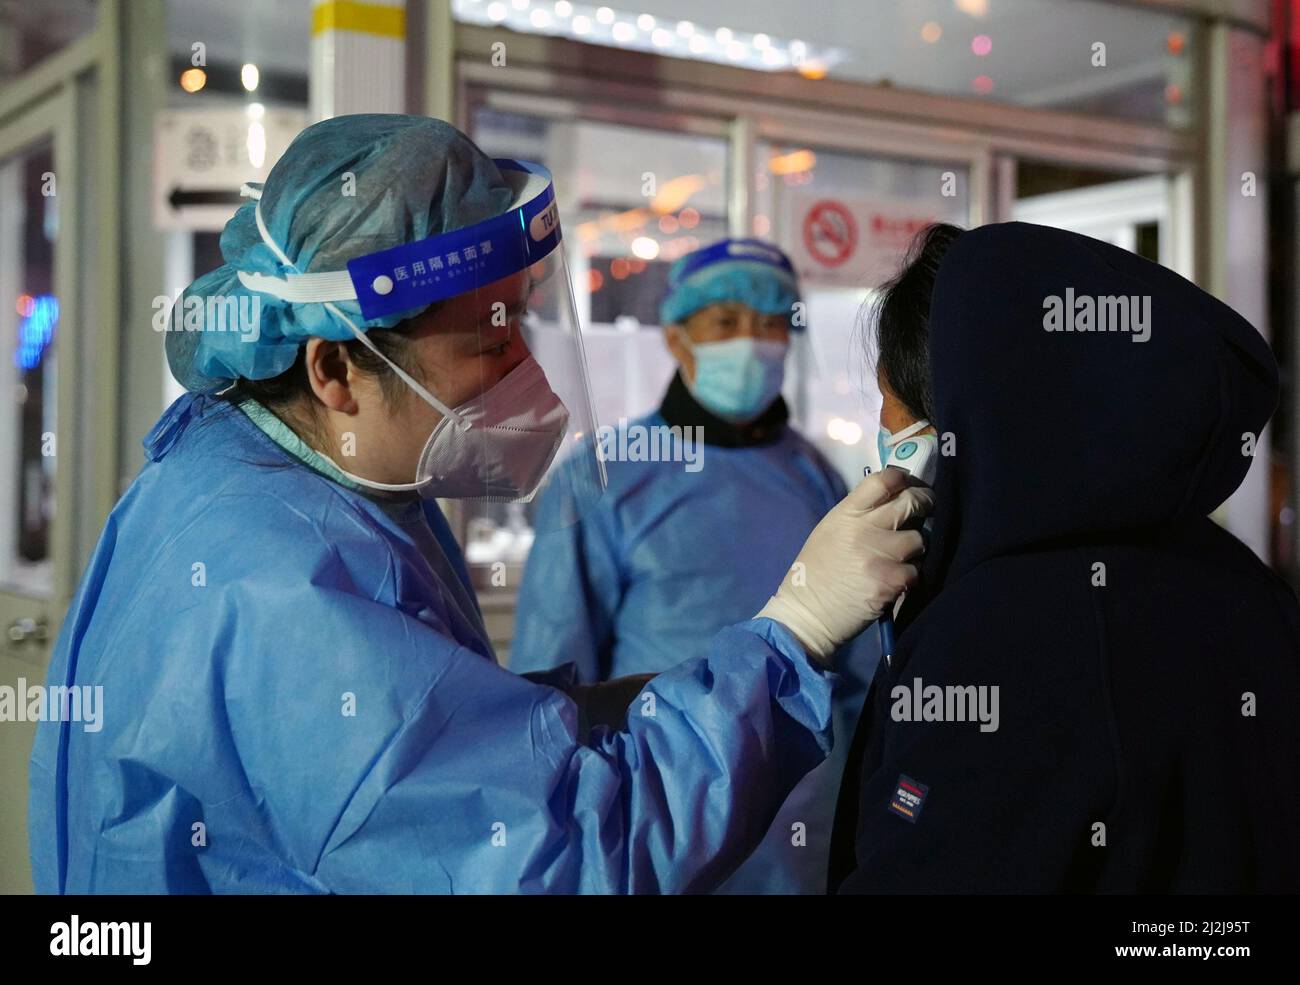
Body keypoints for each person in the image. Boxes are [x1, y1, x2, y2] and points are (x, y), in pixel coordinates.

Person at [27, 115, 933, 895]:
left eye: (523, 325)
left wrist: (658, 694)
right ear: (336, 367)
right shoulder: (282, 586)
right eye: (489, 342)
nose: (526, 376)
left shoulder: (277, 484)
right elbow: (565, 856)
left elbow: (455, 739)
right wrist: (790, 639)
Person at [828, 221, 1300, 893]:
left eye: (887, 396)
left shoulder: (997, 631)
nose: (885, 425)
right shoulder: (1244, 581)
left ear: (963, 406)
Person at [513, 237, 879, 893]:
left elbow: (857, 676)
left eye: (771, 323)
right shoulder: (602, 477)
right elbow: (550, 691)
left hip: (801, 834)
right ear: (679, 338)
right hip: (658, 816)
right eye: (727, 322)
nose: (754, 341)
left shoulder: (815, 477)